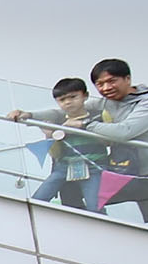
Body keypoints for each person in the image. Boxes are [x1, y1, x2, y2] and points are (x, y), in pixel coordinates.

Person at [87, 61, 148, 226]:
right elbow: (71, 109)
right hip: (126, 172)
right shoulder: (107, 102)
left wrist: (86, 124)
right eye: (100, 84)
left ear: (127, 79)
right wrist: (40, 118)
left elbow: (125, 131)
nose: (106, 88)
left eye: (111, 81)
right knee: (134, 227)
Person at [7, 78, 104, 213]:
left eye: (73, 97)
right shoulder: (58, 121)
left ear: (85, 96)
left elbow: (108, 141)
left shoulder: (98, 117)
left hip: (94, 167)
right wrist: (50, 137)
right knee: (38, 200)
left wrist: (85, 127)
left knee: (95, 206)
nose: (68, 102)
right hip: (64, 167)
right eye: (62, 100)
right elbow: (56, 153)